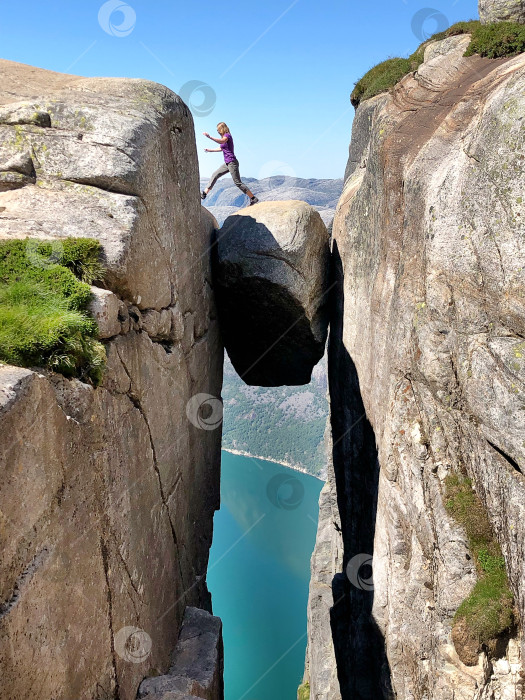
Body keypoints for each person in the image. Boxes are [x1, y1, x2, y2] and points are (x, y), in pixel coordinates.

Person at [201, 122, 259, 206]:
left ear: (222, 128)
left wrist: (209, 137)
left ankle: (253, 198)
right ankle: (204, 193)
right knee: (215, 174)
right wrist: (210, 150)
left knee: (238, 183)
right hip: (227, 163)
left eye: (218, 130)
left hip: (232, 162)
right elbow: (221, 148)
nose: (218, 131)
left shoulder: (227, 136)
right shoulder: (224, 139)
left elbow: (221, 141)